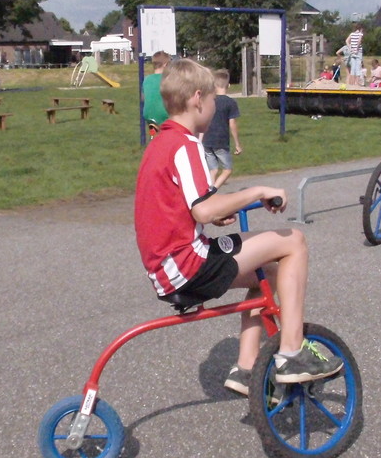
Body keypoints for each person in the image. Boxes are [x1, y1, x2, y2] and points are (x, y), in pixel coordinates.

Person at [134, 58, 343, 396]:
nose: (215, 107)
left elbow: (181, 206)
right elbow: (203, 209)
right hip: (188, 265)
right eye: (214, 100)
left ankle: (246, 368)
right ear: (197, 99)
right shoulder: (186, 145)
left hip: (166, 267)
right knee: (294, 240)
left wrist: (218, 213)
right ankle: (292, 354)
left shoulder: (161, 142)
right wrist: (258, 191)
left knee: (269, 271)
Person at [201, 69, 243, 188]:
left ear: (213, 85)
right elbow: (232, 124)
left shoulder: (208, 101)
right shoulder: (230, 103)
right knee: (227, 169)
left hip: (206, 140)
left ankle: (209, 190)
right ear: (228, 85)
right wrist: (237, 144)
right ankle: (213, 190)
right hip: (221, 141)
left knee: (213, 169)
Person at [142, 51, 171, 132]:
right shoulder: (167, 79)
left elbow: (143, 98)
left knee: (155, 135)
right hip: (164, 114)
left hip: (148, 115)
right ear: (165, 64)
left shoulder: (147, 79)